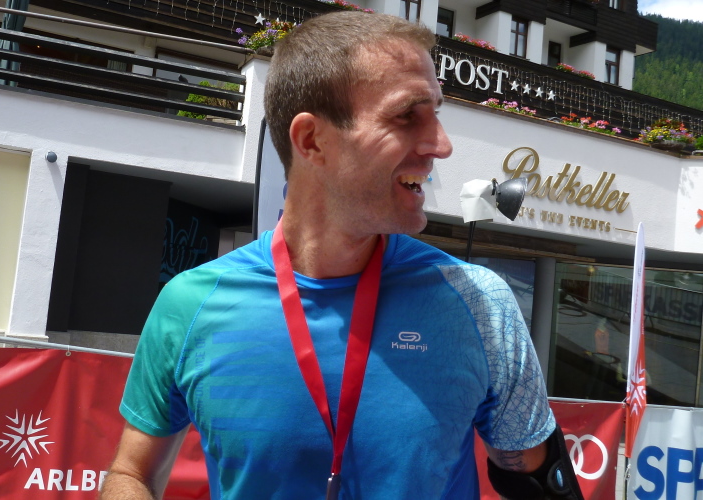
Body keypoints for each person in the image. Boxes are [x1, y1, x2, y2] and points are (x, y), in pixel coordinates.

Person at [100, 11, 583, 500]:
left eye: (437, 113)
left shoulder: (478, 303)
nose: (441, 145)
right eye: (407, 115)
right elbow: (131, 474)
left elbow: (541, 484)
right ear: (312, 141)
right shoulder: (190, 305)